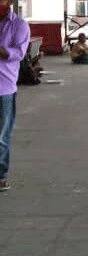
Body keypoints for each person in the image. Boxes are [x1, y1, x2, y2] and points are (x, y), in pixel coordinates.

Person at [0, 0, 30, 192]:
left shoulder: (19, 25)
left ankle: (1, 176)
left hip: (4, 88)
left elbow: (17, 53)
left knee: (1, 136)